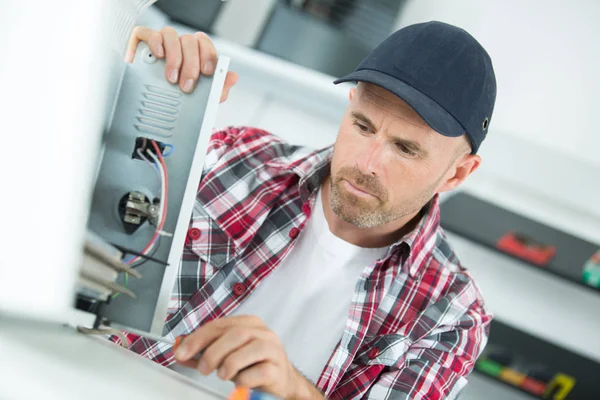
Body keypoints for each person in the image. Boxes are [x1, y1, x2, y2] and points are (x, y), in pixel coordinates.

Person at [124, 20, 496, 400]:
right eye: (363, 126)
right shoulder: (236, 159)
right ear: (349, 106)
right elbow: (99, 236)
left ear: (458, 173)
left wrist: (293, 390)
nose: (367, 163)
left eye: (405, 149)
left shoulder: (452, 316)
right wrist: (137, 90)